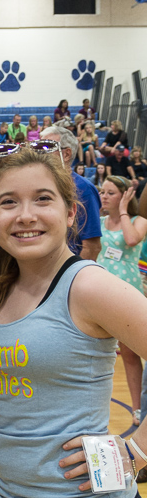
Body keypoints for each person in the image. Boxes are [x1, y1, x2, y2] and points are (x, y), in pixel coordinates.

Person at [0, 148, 147, 498]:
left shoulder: (89, 286)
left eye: (43, 199)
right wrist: (15, 432)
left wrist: (136, 450)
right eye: (8, 203)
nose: (26, 215)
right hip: (9, 489)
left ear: (70, 212)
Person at [98, 175, 147, 426]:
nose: (104, 196)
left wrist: (125, 212)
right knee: (94, 349)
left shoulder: (139, 221)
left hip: (126, 292)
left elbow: (130, 240)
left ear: (125, 195)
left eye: (110, 193)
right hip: (99, 292)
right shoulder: (100, 222)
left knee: (130, 354)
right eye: (102, 192)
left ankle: (138, 408)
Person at [42, 125, 102, 260]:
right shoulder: (39, 185)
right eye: (37, 147)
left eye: (46, 148)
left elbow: (92, 247)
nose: (38, 153)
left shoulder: (84, 189)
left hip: (67, 269)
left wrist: (72, 278)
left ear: (66, 154)